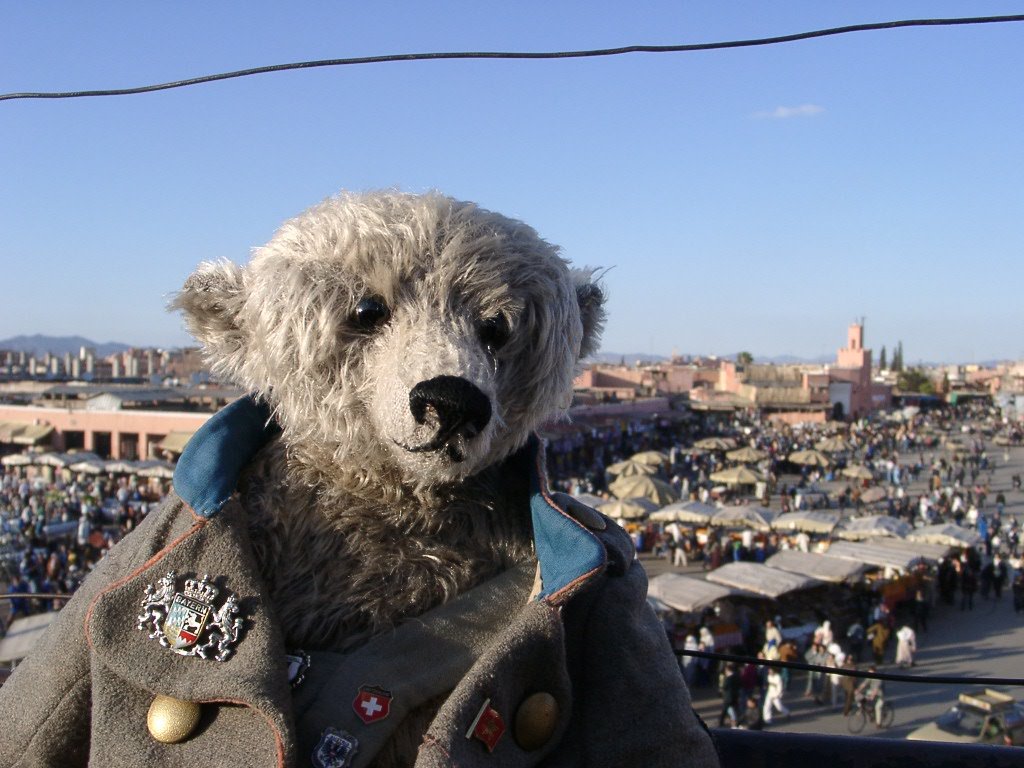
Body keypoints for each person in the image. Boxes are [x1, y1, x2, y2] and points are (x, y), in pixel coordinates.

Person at [718, 662, 741, 728]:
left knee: (725, 710)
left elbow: (724, 687)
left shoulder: (728, 679)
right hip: (735, 696)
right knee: (734, 710)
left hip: (728, 698)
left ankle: (722, 722)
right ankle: (736, 721)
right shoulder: (736, 676)